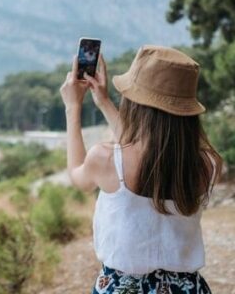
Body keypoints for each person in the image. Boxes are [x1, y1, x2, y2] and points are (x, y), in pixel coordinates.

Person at [59, 45, 223, 293]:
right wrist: (103, 102)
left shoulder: (105, 159)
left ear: (134, 103)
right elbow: (150, 151)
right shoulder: (209, 164)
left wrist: (73, 108)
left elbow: (78, 176)